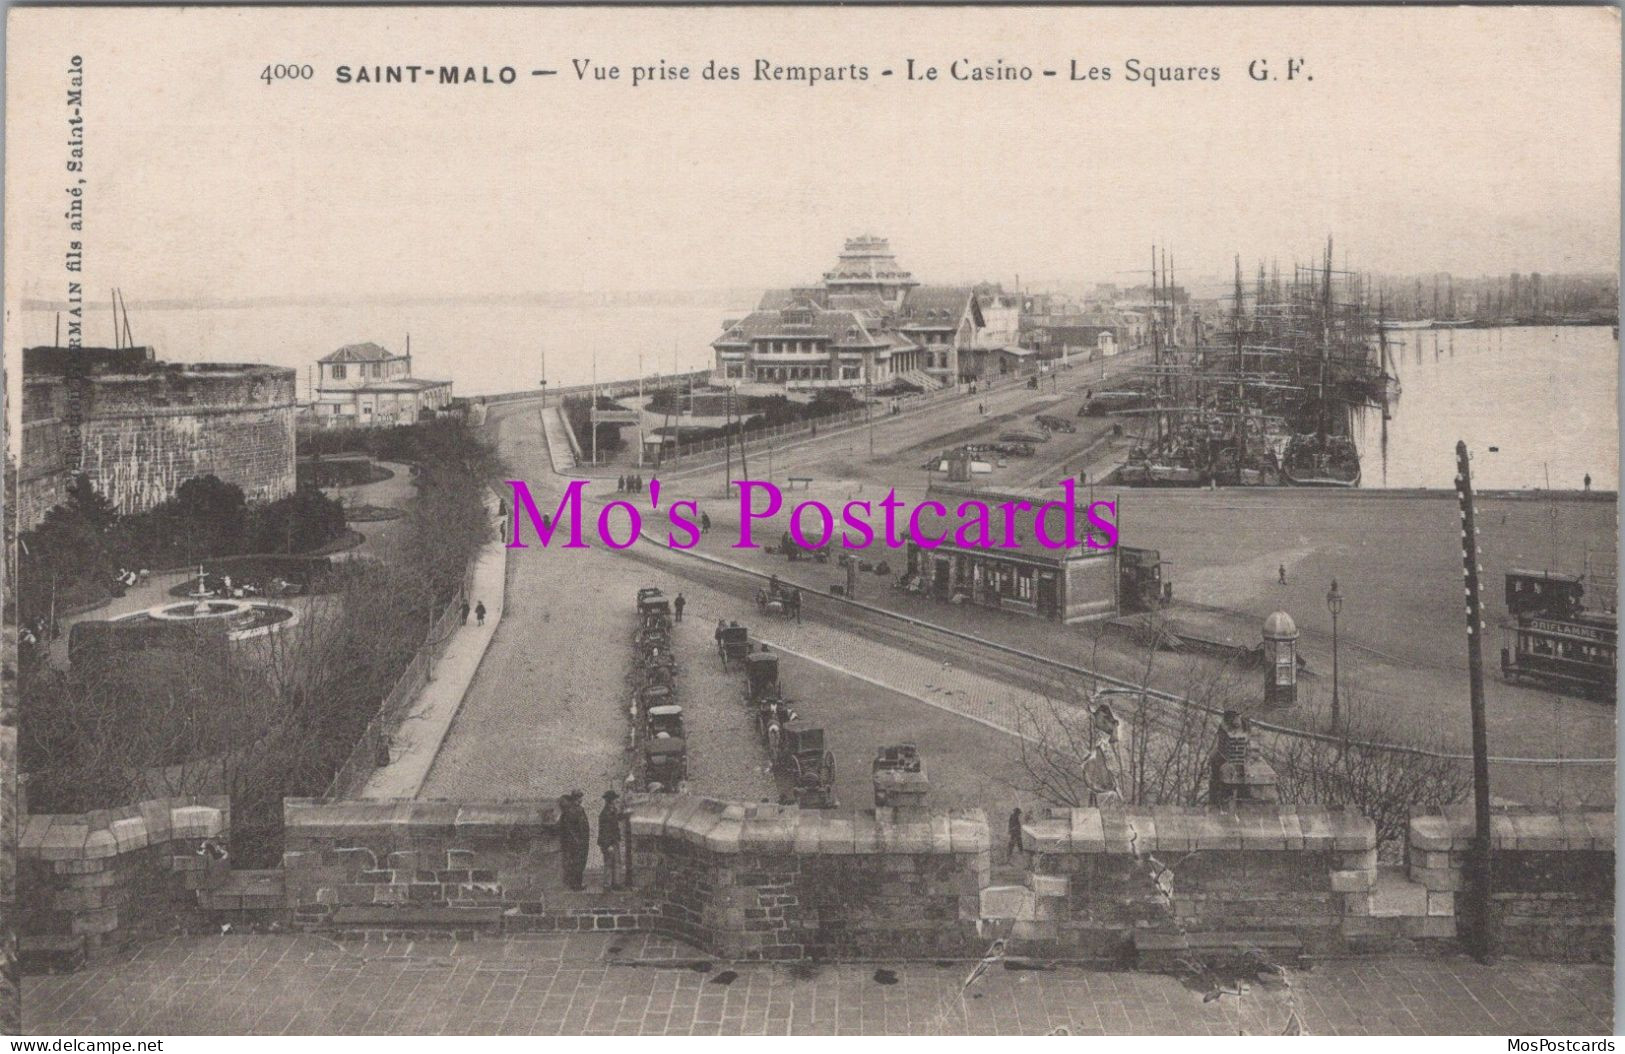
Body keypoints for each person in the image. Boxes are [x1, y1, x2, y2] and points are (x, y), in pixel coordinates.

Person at [561, 791, 591, 890]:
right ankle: (575, 885)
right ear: (576, 798)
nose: (581, 799)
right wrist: (577, 840)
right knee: (576, 863)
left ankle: (577, 884)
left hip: (582, 841)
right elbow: (569, 828)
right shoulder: (572, 810)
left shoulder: (579, 809)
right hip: (577, 843)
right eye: (580, 797)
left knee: (580, 863)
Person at [598, 791, 624, 890]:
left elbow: (617, 818)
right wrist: (608, 845)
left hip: (613, 841)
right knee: (609, 863)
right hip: (609, 842)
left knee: (616, 862)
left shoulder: (612, 811)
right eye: (614, 799)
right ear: (610, 801)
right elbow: (604, 831)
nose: (615, 801)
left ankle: (616, 883)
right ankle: (607, 885)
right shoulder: (605, 813)